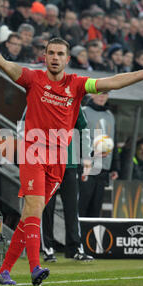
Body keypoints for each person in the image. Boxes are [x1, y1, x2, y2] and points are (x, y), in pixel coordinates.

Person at [0, 8, 143, 286]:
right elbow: (1, 62)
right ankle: (36, 267)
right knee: (35, 208)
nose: (55, 58)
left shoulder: (78, 84)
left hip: (60, 158)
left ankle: (3, 271)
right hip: (34, 151)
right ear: (45, 56)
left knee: (29, 217)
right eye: (51, 53)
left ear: (67, 59)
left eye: (60, 54)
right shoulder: (33, 79)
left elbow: (114, 82)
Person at [41, 108, 94, 262]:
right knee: (46, 208)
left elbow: (83, 128)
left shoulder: (73, 100)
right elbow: (24, 126)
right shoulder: (38, 96)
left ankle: (75, 248)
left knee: (72, 207)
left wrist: (86, 156)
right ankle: (47, 249)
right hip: (46, 164)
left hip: (69, 163)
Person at [79, 93, 120, 218]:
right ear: (91, 94)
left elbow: (114, 140)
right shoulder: (84, 112)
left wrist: (114, 167)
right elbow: (77, 137)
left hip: (104, 167)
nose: (102, 96)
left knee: (96, 208)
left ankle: (89, 237)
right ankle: (77, 236)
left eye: (105, 93)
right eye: (99, 93)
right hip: (87, 166)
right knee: (82, 205)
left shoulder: (110, 116)